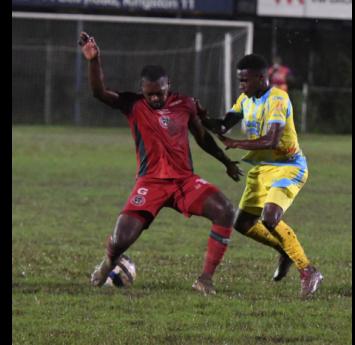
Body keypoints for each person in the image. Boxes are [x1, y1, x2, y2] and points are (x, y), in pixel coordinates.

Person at [78, 32, 243, 295]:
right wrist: (94, 60)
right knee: (121, 240)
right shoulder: (132, 104)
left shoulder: (185, 104)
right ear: (143, 90)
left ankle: (205, 279)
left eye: (160, 93)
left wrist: (226, 162)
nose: (155, 98)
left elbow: (202, 138)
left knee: (225, 210)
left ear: (169, 86)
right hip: (150, 182)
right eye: (150, 94)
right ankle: (109, 262)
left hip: (184, 182)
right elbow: (99, 92)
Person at [201, 54, 323, 298]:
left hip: (288, 166)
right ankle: (286, 250)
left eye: (245, 80)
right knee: (243, 223)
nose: (241, 85)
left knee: (270, 217)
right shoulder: (245, 99)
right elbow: (223, 125)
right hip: (261, 169)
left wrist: (237, 143)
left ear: (261, 77)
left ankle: (308, 271)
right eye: (239, 81)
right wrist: (197, 117)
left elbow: (272, 139)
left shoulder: (278, 98)